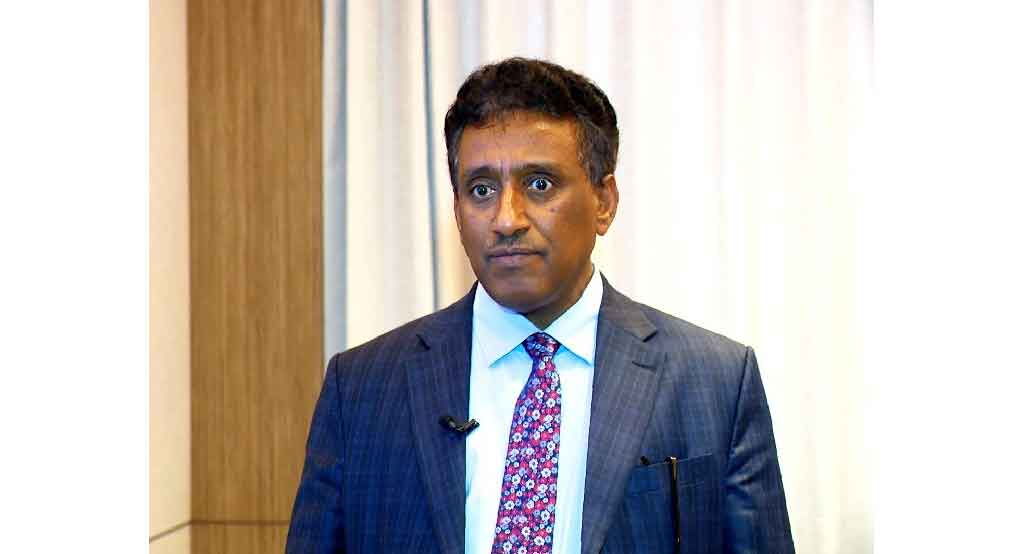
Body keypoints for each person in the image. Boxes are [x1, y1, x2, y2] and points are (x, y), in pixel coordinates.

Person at [286, 57, 794, 554]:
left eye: (539, 184)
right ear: (457, 210)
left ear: (604, 201)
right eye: (481, 189)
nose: (506, 219)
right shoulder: (362, 388)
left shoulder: (716, 381)